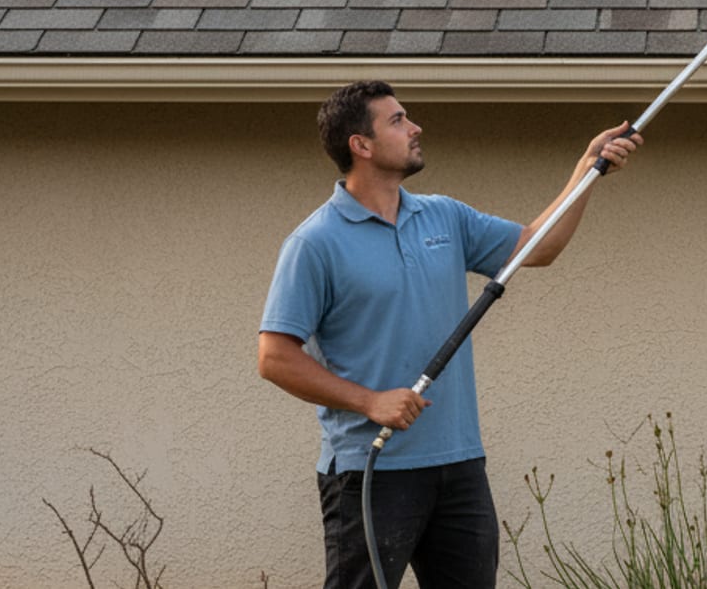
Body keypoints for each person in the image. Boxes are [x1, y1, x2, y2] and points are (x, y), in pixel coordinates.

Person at [257, 80, 640, 589]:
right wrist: (369, 401)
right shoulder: (315, 243)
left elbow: (536, 247)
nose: (415, 128)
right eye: (397, 120)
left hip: (459, 467)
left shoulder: (444, 216)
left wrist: (586, 171)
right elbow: (275, 357)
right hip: (370, 474)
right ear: (361, 145)